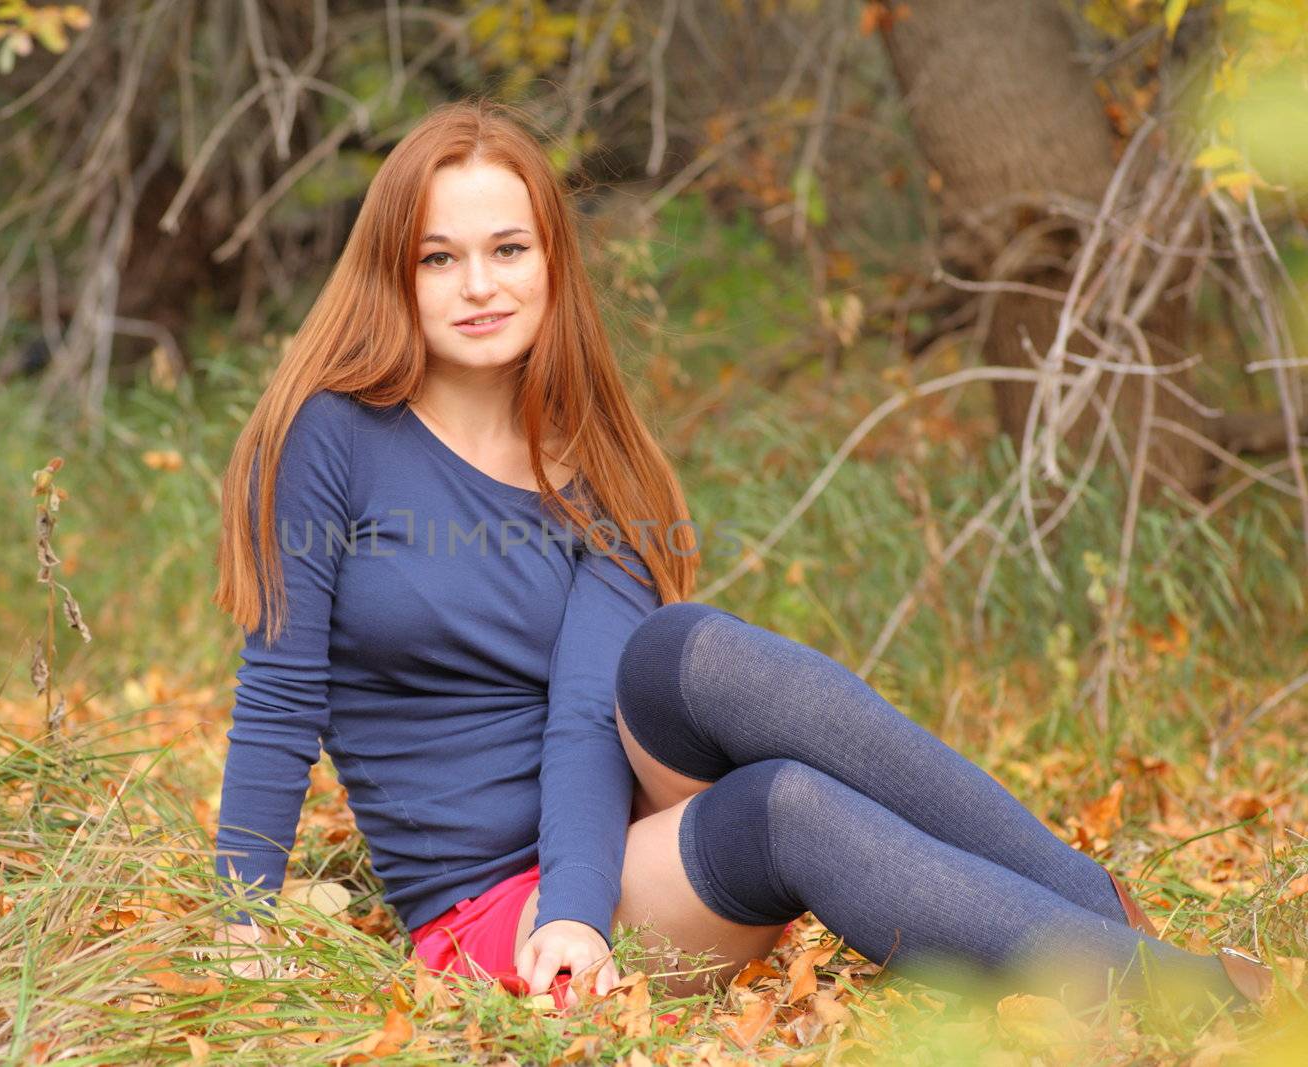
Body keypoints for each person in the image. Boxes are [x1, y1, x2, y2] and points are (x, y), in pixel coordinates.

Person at [210, 97, 1273, 1014]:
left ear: (550, 260)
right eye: (439, 257)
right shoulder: (330, 433)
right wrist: (241, 919)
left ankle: (1085, 902)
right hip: (502, 906)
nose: (477, 284)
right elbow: (278, 694)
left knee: (679, 648)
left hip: (610, 838)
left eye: (507, 249)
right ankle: (1169, 993)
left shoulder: (598, 464)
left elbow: (589, 711)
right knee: (781, 802)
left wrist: (585, 889)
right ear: (394, 271)